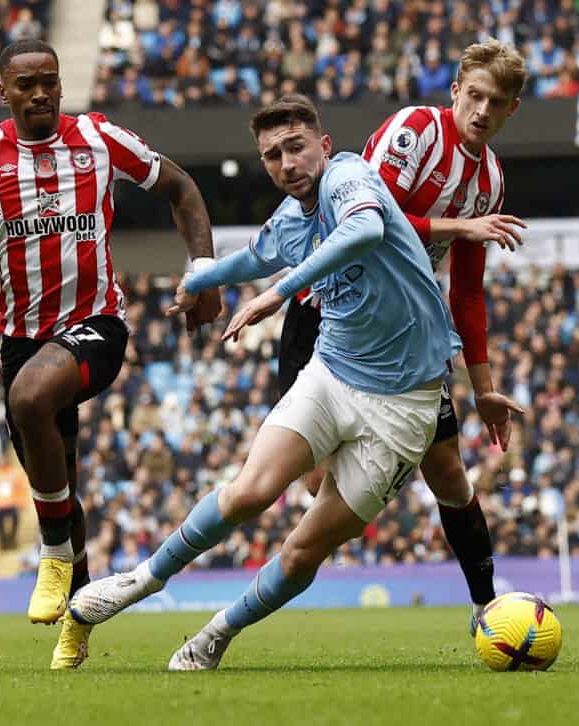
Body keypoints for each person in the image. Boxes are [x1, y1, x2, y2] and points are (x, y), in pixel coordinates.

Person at [69, 96, 524, 670]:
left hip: (405, 407)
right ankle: (143, 579)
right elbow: (254, 257)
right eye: (272, 155)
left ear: (324, 145)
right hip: (332, 374)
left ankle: (217, 633)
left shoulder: (350, 176)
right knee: (249, 491)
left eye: (295, 147)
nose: (286, 163)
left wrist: (276, 295)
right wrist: (199, 279)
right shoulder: (290, 220)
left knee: (305, 547)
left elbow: (363, 229)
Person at [0, 39, 221, 669]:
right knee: (61, 484)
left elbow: (182, 187)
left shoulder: (99, 137)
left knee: (30, 398)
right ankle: (80, 619)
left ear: (61, 84)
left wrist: (202, 273)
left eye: (50, 81)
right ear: (4, 91)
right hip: (22, 341)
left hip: (96, 325)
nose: (40, 93)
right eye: (26, 84)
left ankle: (53, 553)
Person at [277, 39, 528, 630]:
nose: (482, 111)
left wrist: (483, 386)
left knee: (448, 470)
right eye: (475, 96)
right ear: (455, 91)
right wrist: (458, 225)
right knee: (315, 480)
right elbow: (365, 219)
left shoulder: (489, 178)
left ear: (512, 109)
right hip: (326, 307)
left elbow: (467, 291)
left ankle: (486, 606)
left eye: (497, 102)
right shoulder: (416, 131)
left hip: (406, 331)